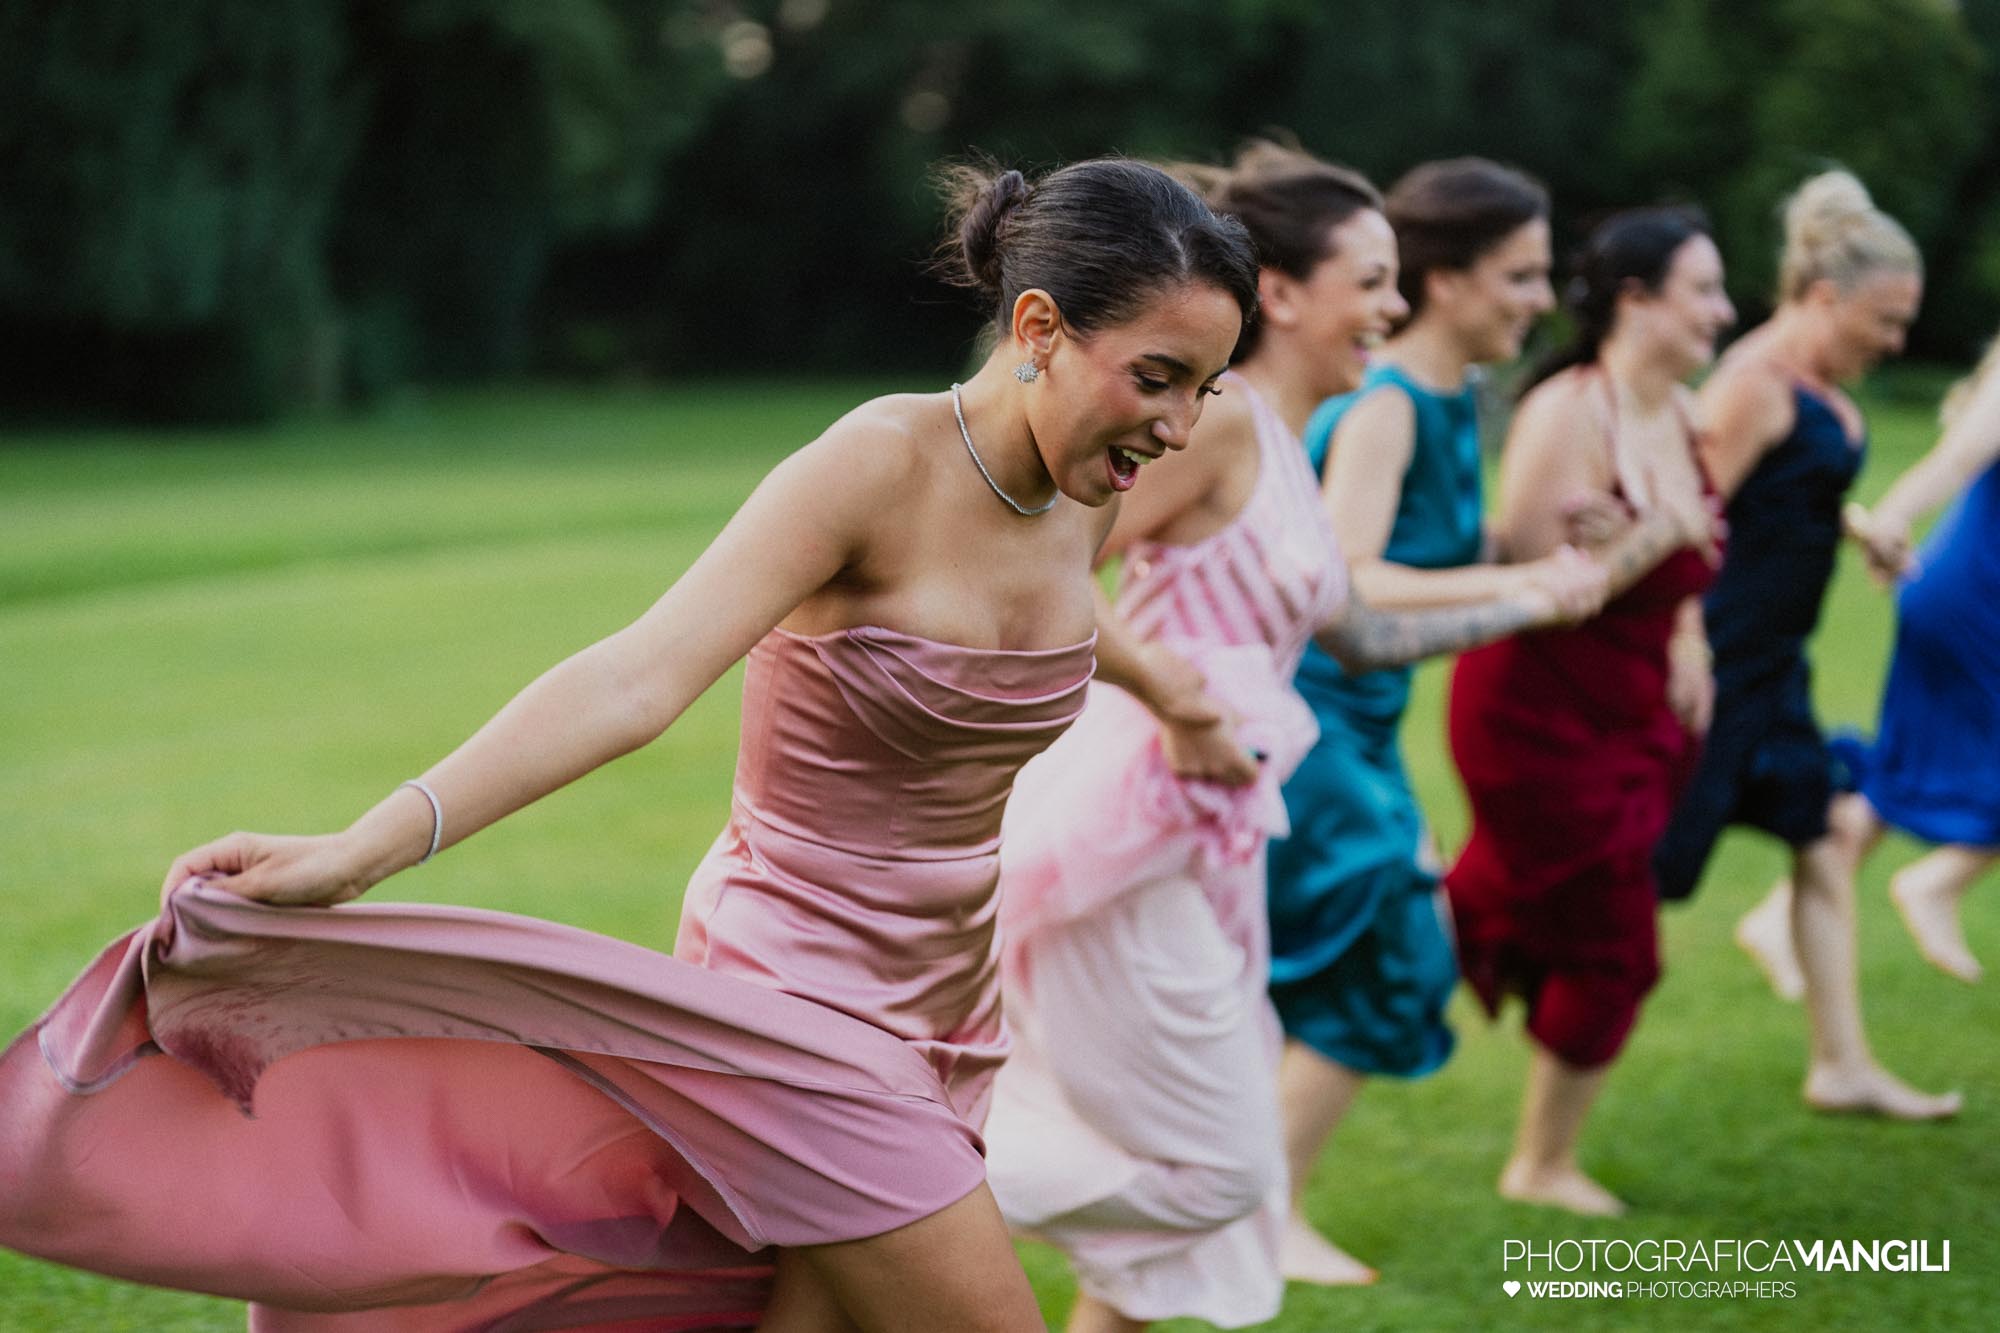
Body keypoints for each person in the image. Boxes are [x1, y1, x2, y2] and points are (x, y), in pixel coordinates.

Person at [0, 158, 1261, 1333]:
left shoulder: (1085, 498)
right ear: (1037, 328)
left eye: (1202, 389)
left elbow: (1027, 677)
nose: (1177, 426)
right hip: (796, 999)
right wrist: (359, 851)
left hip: (947, 1003)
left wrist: (1193, 711)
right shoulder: (873, 464)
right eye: (1154, 378)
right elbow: (634, 677)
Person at [980, 142, 1605, 1333]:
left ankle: (876, 1193)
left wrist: (1544, 592)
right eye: (1369, 281)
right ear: (1281, 291)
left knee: (1177, 1172)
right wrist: (1179, 702)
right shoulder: (1213, 429)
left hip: (1214, 833)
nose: (1394, 303)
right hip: (1130, 820)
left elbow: (1357, 634)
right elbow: (1050, 573)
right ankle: (859, 1192)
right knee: (1220, 1169)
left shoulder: (1283, 443)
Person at [1264, 156, 1575, 1283]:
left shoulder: (1449, 400)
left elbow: (1425, 549)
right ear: (1443, 281)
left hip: (1365, 726)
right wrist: (1520, 595)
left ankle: (1233, 1199)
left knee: (1330, 955)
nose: (1539, 299)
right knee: (1399, 941)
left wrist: (1527, 545)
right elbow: (1349, 581)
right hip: (1308, 722)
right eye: (1519, 275)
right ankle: (1265, 1210)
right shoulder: (1386, 402)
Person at [1653, 170, 1961, 1120]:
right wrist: (1684, 638)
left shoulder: (1814, 385)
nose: (1897, 340)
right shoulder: (1752, 386)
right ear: (1825, 296)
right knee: (1642, 875)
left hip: (1776, 668)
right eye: (1885, 318)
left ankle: (1842, 1063)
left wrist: (1856, 527)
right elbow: (1684, 520)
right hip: (1719, 669)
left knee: (1825, 835)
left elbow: (1782, 508)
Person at [1446, 206, 1735, 1215]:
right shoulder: (1568, 410)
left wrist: (1689, 637)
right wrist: (1644, 538)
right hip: (1535, 718)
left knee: (1536, 910)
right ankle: (1538, 1165)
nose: (1721, 310)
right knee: (1619, 948)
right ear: (1635, 300)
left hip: (1640, 722)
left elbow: (1690, 558)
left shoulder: (1685, 414)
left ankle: (1428, 919)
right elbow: (1533, 577)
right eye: (1701, 289)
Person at [1766, 337, 2000, 983]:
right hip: (1972, 600)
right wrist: (1892, 515)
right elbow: (1953, 461)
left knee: (1900, 768)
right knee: (1929, 764)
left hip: (1971, 601)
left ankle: (1780, 914)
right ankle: (1936, 884)